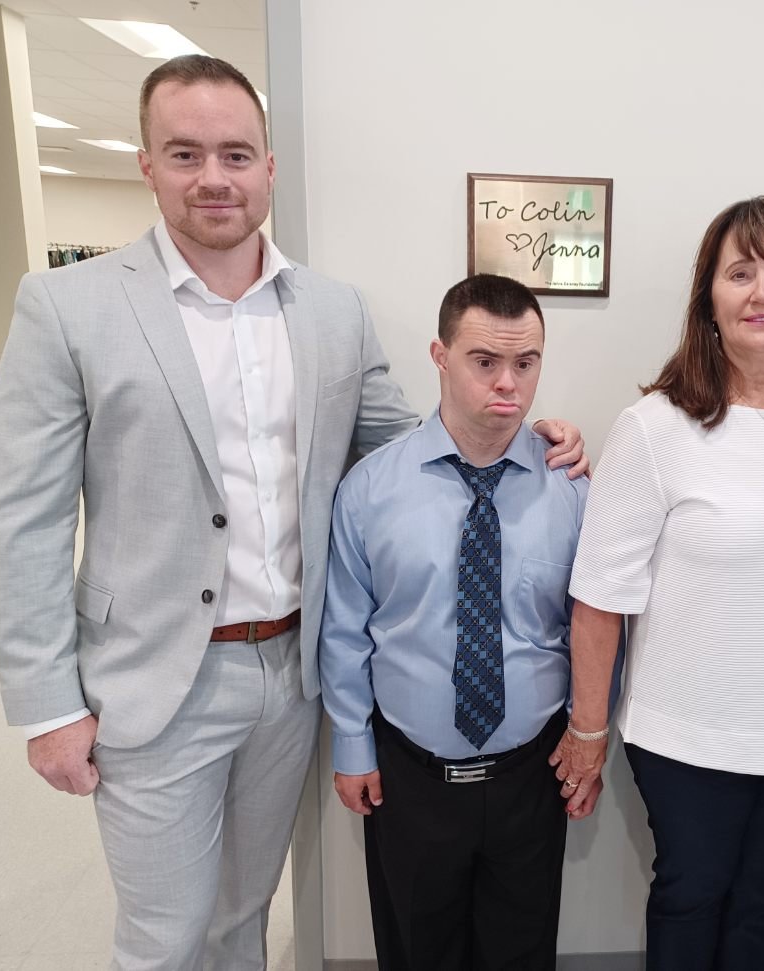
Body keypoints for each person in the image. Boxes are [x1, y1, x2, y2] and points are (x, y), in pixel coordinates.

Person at [0, 55, 585, 970]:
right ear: (148, 163)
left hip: (290, 670)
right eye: (185, 154)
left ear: (269, 166)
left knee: (243, 914)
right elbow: (20, 514)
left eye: (235, 153)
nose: (213, 178)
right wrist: (46, 704)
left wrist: (533, 433)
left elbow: (409, 445)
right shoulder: (69, 306)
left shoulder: (331, 311)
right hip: (153, 679)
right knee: (163, 934)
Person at [549, 195, 764, 970]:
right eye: (740, 273)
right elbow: (599, 595)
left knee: (763, 901)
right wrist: (587, 732)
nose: (762, 291)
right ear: (709, 300)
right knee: (691, 893)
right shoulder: (656, 427)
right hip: (686, 737)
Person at [320, 273, 593, 970]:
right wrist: (351, 742)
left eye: (525, 363)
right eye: (484, 361)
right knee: (417, 948)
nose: (508, 383)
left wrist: (591, 733)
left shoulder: (572, 488)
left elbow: (591, 627)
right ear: (439, 356)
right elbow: (345, 627)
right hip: (409, 771)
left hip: (532, 771)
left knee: (521, 949)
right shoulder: (370, 490)